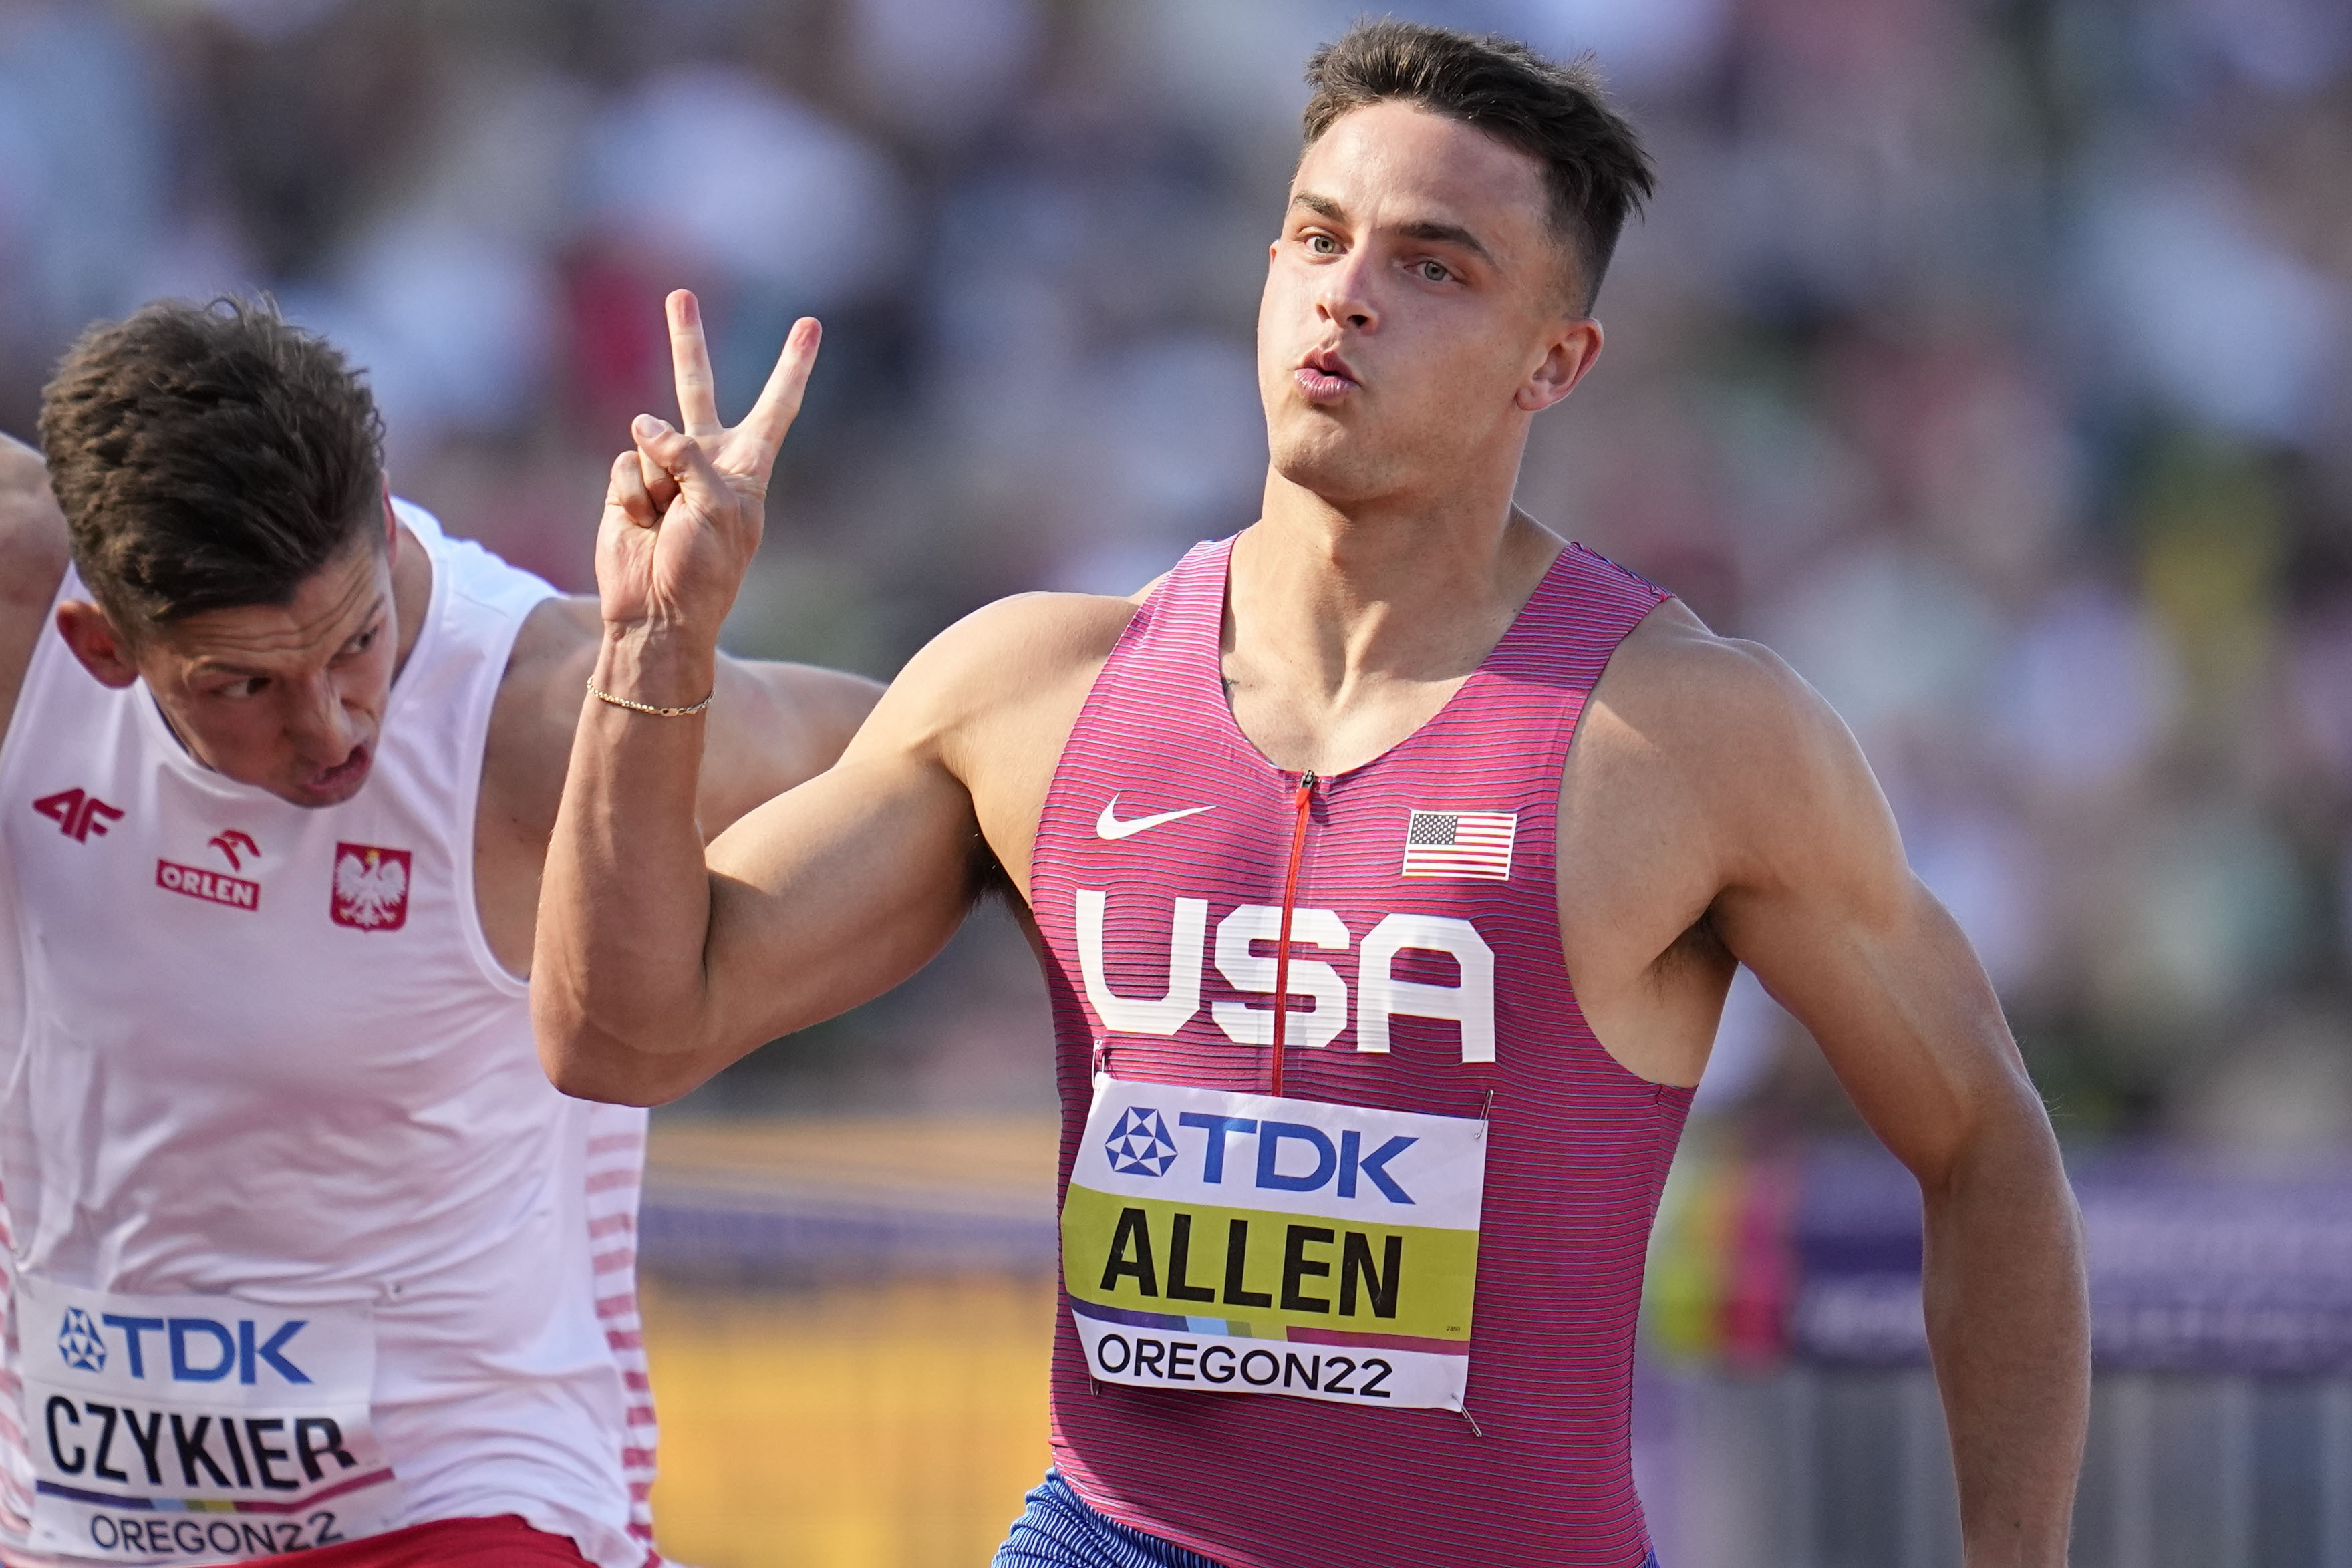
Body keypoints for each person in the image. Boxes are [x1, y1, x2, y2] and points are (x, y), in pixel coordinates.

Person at [533, 20, 2089, 1568]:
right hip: (1112, 1538)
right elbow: (622, 1029)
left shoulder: (1687, 741)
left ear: (1556, 360)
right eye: (1316, 237)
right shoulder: (1030, 691)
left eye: (1433, 265)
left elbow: (1985, 1147)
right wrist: (653, 647)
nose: (1345, 292)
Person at [0, 299, 877, 1568]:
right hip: (75, 1513)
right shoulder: (26, 613)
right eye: (244, 685)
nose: (333, 727)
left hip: (457, 1496)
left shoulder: (547, 708)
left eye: (357, 642)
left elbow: (947, 761)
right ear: (103, 648)